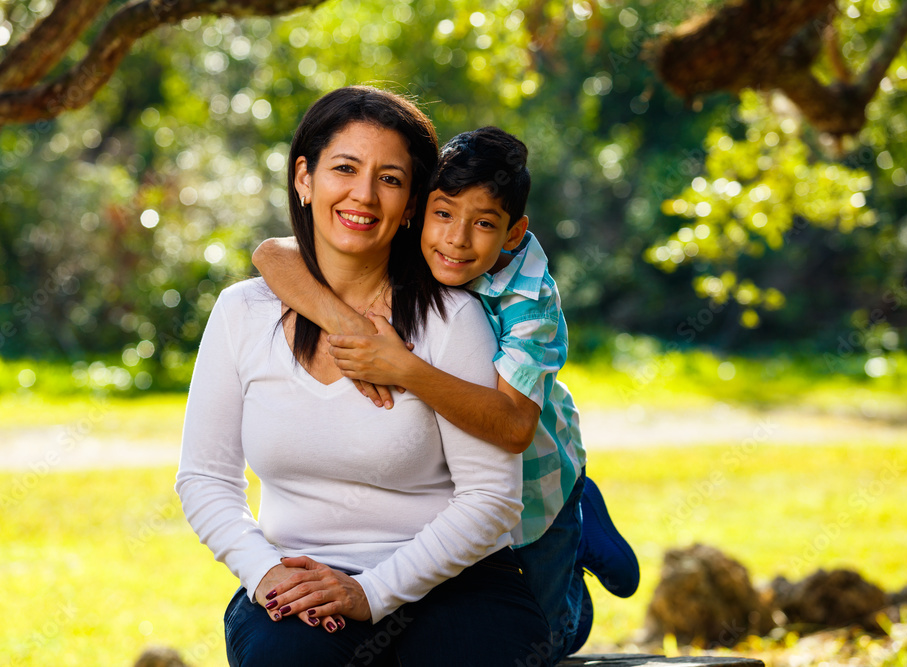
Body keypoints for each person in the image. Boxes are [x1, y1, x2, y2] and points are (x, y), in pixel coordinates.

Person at [177, 88, 550, 667]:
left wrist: (370, 593)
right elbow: (204, 478)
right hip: (302, 580)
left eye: (391, 179)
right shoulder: (241, 313)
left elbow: (491, 499)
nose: (363, 194)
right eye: (345, 168)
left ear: (411, 204)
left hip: (457, 579)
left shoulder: (452, 319)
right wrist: (266, 573)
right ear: (305, 178)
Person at [252, 127, 639, 663]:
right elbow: (271, 253)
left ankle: (581, 533)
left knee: (546, 641)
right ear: (419, 209)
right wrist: (351, 329)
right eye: (444, 214)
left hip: (540, 480)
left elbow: (512, 427)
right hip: (468, 487)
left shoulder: (532, 302)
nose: (456, 239)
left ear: (512, 232)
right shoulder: (413, 236)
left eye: (483, 223)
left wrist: (402, 368)